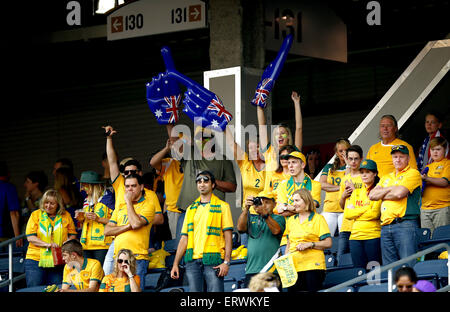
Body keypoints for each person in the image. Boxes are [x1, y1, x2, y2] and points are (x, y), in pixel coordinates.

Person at [171, 170, 233, 292]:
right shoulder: (190, 209)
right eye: (199, 181)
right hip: (192, 262)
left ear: (213, 185)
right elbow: (184, 238)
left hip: (213, 260)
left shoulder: (223, 206)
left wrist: (226, 262)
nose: (202, 183)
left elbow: (228, 237)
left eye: (206, 180)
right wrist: (175, 264)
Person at [369, 145, 422, 267]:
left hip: (405, 224)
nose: (398, 160)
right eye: (395, 157)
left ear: (408, 158)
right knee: (389, 269)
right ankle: (393, 287)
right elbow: (371, 195)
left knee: (408, 265)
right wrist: (391, 188)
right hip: (386, 226)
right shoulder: (386, 177)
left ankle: (411, 287)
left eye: (401, 157)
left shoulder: (413, 173)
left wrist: (382, 193)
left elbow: (399, 194)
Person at [104, 173, 157, 291]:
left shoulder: (148, 205)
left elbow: (137, 224)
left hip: (137, 258)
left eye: (133, 186)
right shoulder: (120, 207)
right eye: (127, 187)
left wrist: (128, 202)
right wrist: (128, 226)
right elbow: (107, 231)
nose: (130, 189)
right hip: (118, 258)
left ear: (141, 187)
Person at [169, 125, 238, 212]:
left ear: (212, 140)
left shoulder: (224, 160)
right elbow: (175, 142)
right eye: (198, 138)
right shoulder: (190, 153)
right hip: (187, 210)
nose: (201, 141)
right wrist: (169, 123)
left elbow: (232, 187)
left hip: (213, 211)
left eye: (205, 138)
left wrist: (213, 181)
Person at [24, 189, 77, 287]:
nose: (48, 206)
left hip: (58, 259)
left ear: (58, 204)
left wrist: (68, 242)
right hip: (35, 259)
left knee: (56, 288)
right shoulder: (36, 215)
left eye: (52, 203)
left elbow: (73, 234)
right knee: (35, 288)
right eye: (46, 203)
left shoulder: (66, 216)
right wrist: (48, 245)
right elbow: (30, 237)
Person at [284, 189, 332, 292]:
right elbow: (289, 244)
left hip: (313, 265)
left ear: (306, 201)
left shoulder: (318, 219)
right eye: (293, 201)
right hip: (293, 267)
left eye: (297, 200)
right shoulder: (291, 220)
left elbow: (328, 243)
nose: (294, 204)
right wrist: (286, 261)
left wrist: (310, 244)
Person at [275, 151, 322, 253]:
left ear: (303, 165)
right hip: (288, 236)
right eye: (289, 163)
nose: (290, 166)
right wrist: (302, 207)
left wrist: (288, 206)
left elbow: (311, 207)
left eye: (294, 162)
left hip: (309, 235)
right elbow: (281, 211)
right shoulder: (282, 185)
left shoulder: (315, 185)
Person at [236, 190, 285, 287]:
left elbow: (276, 230)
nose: (264, 205)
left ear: (274, 204)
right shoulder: (252, 218)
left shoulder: (278, 218)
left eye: (267, 202)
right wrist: (246, 209)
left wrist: (264, 214)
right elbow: (240, 228)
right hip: (251, 269)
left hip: (271, 269)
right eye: (261, 202)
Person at [343, 159, 382, 269]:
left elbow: (374, 214)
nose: (364, 175)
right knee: (358, 271)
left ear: (374, 174)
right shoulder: (356, 192)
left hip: (373, 235)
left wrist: (357, 211)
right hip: (355, 237)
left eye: (368, 172)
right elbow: (348, 214)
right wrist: (366, 207)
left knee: (374, 271)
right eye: (362, 172)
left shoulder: (378, 190)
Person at [257, 91, 303, 174]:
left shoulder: (294, 152)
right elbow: (262, 126)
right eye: (277, 134)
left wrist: (296, 103)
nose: (280, 136)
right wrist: (259, 105)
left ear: (288, 136)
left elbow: (299, 129)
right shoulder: (269, 152)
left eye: (283, 133)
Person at [76, 171, 115, 266]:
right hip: (86, 245)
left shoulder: (109, 199)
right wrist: (80, 218)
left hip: (102, 245)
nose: (81, 189)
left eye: (84, 186)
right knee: (89, 274)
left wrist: (98, 219)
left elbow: (117, 222)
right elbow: (83, 224)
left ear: (93, 186)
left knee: (100, 274)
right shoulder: (86, 200)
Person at [224, 126, 265, 214]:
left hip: (266, 214)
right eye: (251, 148)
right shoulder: (245, 162)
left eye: (257, 147)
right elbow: (232, 144)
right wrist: (224, 127)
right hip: (248, 212)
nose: (254, 150)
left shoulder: (270, 166)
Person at [150, 137, 185, 239]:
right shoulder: (169, 163)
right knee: (178, 242)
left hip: (193, 207)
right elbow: (153, 163)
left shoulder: (194, 161)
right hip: (174, 209)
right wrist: (166, 148)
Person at [337, 145, 364, 262]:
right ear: (347, 160)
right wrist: (343, 196)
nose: (353, 162)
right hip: (346, 225)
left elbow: (368, 200)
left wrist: (355, 191)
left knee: (359, 259)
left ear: (361, 159)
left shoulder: (365, 177)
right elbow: (342, 206)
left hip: (361, 225)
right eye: (351, 159)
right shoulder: (345, 179)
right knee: (340, 259)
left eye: (356, 158)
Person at [320, 138, 351, 237]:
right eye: (341, 151)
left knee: (345, 239)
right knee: (327, 238)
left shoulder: (352, 167)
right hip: (330, 208)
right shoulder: (329, 167)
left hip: (346, 208)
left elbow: (349, 182)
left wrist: (348, 164)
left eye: (346, 150)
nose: (343, 153)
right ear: (336, 153)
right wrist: (341, 188)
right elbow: (322, 184)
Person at [420, 137, 450, 234]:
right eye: (432, 150)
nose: (435, 152)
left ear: (445, 150)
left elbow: (444, 182)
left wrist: (427, 179)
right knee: (427, 240)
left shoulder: (447, 164)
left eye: (438, 149)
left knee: (441, 240)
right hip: (425, 209)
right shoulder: (427, 167)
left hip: (442, 207)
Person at [0, 161, 22, 247]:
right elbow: (14, 213)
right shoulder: (9, 187)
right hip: (3, 236)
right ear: (7, 173)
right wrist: (17, 236)